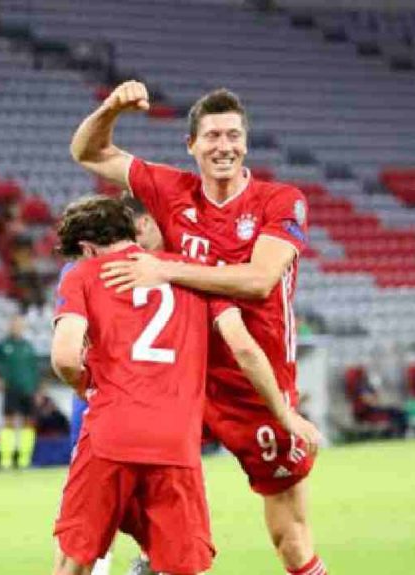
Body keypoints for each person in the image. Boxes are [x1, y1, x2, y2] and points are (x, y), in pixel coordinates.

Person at [71, 81, 329, 575]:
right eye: (211, 136)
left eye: (233, 135)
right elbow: (87, 150)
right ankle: (148, 559)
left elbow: (257, 281)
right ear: (192, 145)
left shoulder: (281, 201)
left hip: (258, 384)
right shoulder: (171, 190)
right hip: (180, 381)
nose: (223, 146)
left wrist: (166, 267)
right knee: (134, 496)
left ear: (246, 144)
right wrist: (111, 108)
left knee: (291, 540)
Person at [49, 197, 321, 575]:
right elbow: (243, 347)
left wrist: (85, 385)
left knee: (75, 558)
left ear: (87, 248)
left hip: (110, 434)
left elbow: (64, 357)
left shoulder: (83, 275)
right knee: (182, 566)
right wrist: (285, 414)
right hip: (176, 441)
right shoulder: (197, 273)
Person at [69, 196, 162, 444]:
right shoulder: (178, 268)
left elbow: (66, 354)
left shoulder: (78, 274)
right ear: (142, 224)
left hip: (107, 396)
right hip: (160, 403)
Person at [0, 315, 39, 470]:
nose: (17, 327)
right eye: (14, 324)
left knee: (29, 423)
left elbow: (34, 369)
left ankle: (24, 459)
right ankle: (6, 460)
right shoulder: (3, 345)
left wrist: (37, 389)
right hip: (11, 390)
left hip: (28, 390)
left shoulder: (28, 346)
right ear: (9, 326)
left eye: (20, 325)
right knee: (8, 423)